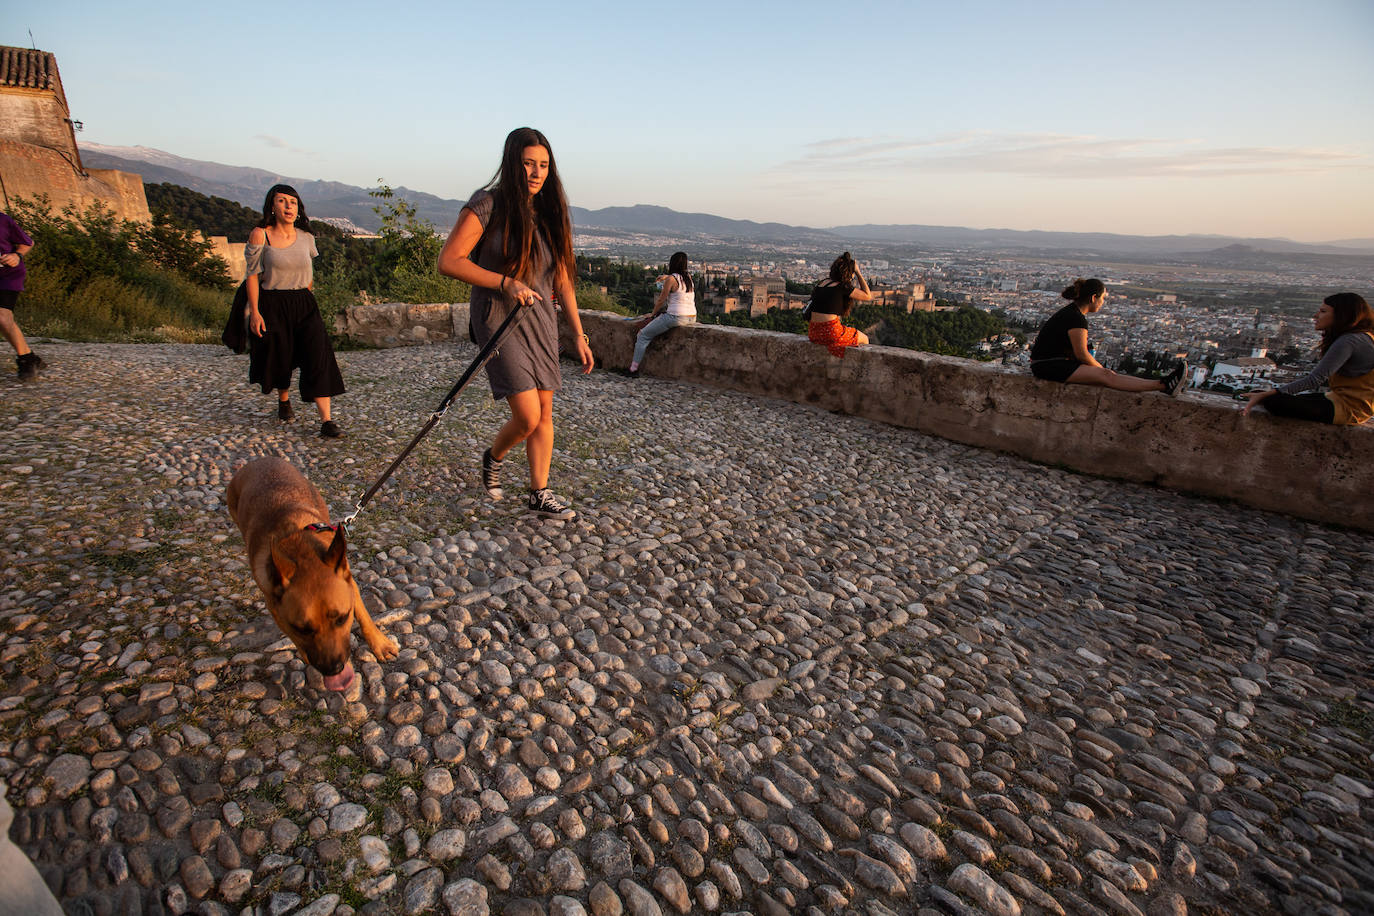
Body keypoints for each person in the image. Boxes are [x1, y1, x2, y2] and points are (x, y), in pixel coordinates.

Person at [438, 127, 594, 520]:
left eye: (543, 165)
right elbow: (450, 260)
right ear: (512, 163)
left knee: (545, 409)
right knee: (527, 415)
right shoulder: (487, 205)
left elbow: (563, 282)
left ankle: (539, 492)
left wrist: (578, 334)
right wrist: (505, 282)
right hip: (497, 315)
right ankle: (493, 456)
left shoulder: (551, 215)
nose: (535, 173)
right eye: (528, 163)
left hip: (540, 318)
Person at [244, 185, 346, 438]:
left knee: (318, 356)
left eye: (293, 202)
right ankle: (284, 400)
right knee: (281, 356)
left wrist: (306, 296)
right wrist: (255, 312)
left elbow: (308, 273)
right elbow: (253, 276)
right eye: (282, 201)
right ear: (272, 206)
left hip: (304, 302)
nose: (289, 207)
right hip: (273, 303)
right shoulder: (260, 235)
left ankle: (327, 421)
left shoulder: (306, 237)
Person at [1030, 278, 1187, 395]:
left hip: (1048, 363)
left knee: (1108, 375)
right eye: (1102, 298)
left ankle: (1162, 383)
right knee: (1106, 376)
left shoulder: (1071, 312)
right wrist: (1100, 369)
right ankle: (1164, 386)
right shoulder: (1076, 318)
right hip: (1048, 366)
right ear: (1093, 298)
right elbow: (1081, 354)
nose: (1102, 302)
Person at [1243, 292, 1374, 425]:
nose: (1316, 316)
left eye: (1323, 311)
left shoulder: (1349, 340)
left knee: (1274, 402)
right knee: (1264, 395)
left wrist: (1270, 394)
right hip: (1344, 402)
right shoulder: (1363, 336)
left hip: (1349, 410)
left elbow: (1314, 379)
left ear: (1342, 316)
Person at [629, 251, 696, 377]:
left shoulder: (671, 279)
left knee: (643, 336)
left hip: (675, 317)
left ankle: (633, 370)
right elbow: (676, 280)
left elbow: (661, 300)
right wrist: (666, 277)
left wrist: (652, 314)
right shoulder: (688, 278)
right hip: (691, 317)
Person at [0, 211, 46, 382]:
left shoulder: (3, 220)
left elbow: (27, 243)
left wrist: (16, 255)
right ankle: (29, 356)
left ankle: (25, 360)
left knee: (3, 318)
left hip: (7, 275)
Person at [807, 252, 872, 357]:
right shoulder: (843, 286)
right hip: (831, 333)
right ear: (849, 273)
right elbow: (868, 296)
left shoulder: (822, 283)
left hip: (813, 333)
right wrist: (858, 273)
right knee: (864, 338)